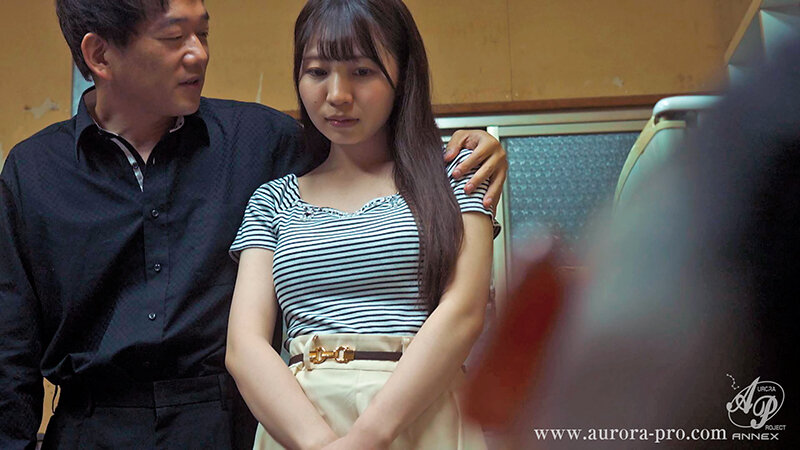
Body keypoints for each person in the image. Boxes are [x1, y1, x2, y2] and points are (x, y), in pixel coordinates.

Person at [0, 0, 508, 448]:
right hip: (94, 425)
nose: (199, 53)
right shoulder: (33, 171)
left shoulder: (262, 139)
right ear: (100, 55)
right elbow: (10, 348)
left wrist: (475, 151)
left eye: (203, 33)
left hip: (230, 424)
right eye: (175, 37)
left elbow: (369, 159)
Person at [225, 1, 498, 448]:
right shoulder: (273, 200)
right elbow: (244, 347)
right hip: (301, 422)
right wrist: (319, 444)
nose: (337, 94)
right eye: (317, 71)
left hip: (421, 412)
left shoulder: (456, 173)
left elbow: (464, 311)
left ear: (403, 75)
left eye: (362, 71)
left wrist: (369, 437)